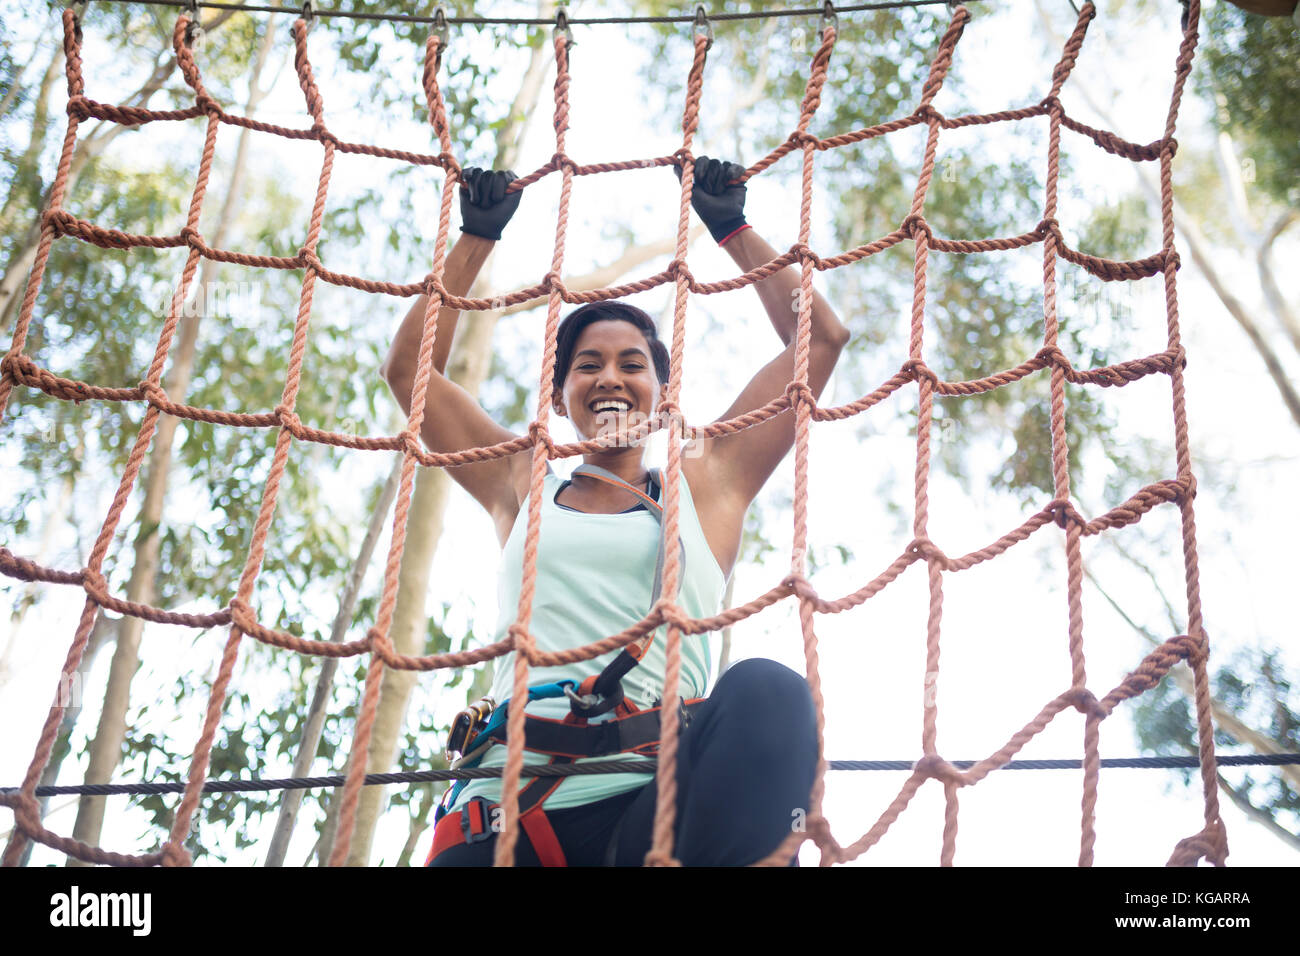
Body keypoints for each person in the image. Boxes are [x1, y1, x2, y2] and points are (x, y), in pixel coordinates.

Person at [381, 158, 850, 866]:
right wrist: (477, 236)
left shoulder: (710, 478)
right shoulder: (521, 482)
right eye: (587, 365)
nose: (610, 378)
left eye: (633, 364)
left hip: (654, 812)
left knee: (769, 690)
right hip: (510, 818)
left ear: (661, 395)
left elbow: (819, 340)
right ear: (561, 395)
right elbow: (409, 368)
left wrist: (733, 227)